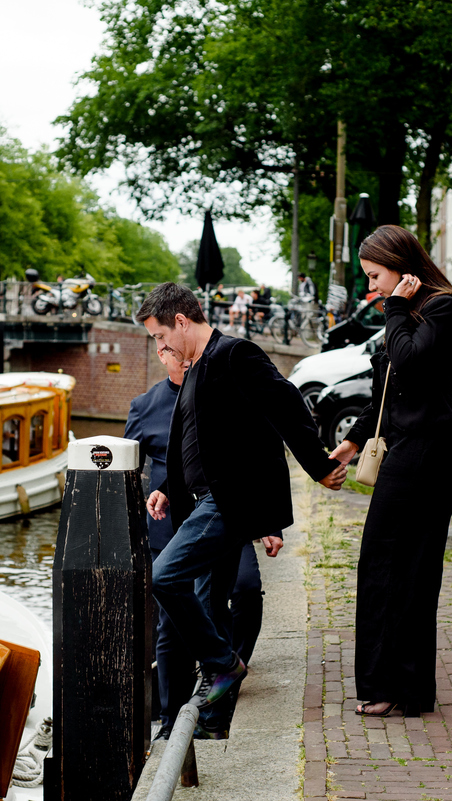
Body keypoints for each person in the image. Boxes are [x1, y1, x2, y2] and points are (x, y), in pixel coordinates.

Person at [138, 282, 346, 712]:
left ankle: (224, 664)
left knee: (163, 577)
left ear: (181, 321)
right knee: (210, 604)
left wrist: (319, 466)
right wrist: (169, 489)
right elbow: (200, 442)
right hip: (206, 500)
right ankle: (215, 716)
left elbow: (286, 404)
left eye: (160, 336)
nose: (160, 347)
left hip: (228, 500)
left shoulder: (235, 354)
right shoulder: (196, 367)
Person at [327, 225, 452, 718]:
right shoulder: (405, 313)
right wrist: (350, 444)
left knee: (404, 567)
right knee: (388, 566)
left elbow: (409, 364)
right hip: (407, 450)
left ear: (401, 266)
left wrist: (394, 309)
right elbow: (386, 396)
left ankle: (397, 685)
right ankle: (399, 685)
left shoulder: (442, 307)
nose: (372, 287)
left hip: (431, 454)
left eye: (375, 276)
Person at [126, 348, 267, 739]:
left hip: (221, 518)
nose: (183, 358)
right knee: (170, 628)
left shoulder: (218, 390)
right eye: (166, 347)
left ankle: (222, 688)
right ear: (161, 353)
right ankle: (170, 722)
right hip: (169, 529)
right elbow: (130, 471)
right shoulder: (145, 406)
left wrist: (269, 523)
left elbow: (248, 452)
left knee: (242, 591)